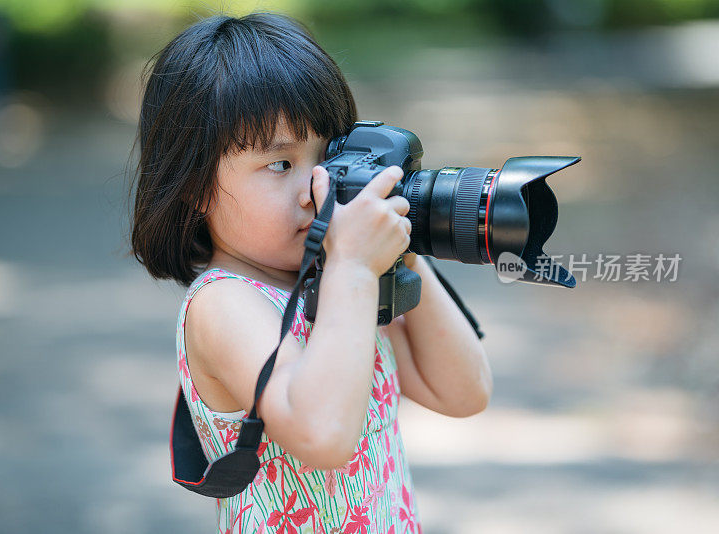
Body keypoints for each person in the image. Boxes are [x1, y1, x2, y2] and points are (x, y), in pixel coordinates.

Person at [129, 12, 492, 533]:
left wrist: (400, 242)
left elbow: (465, 390)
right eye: (280, 165)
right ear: (195, 187)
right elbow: (321, 433)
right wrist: (353, 266)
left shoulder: (341, 280)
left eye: (329, 159)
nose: (316, 190)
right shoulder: (224, 302)